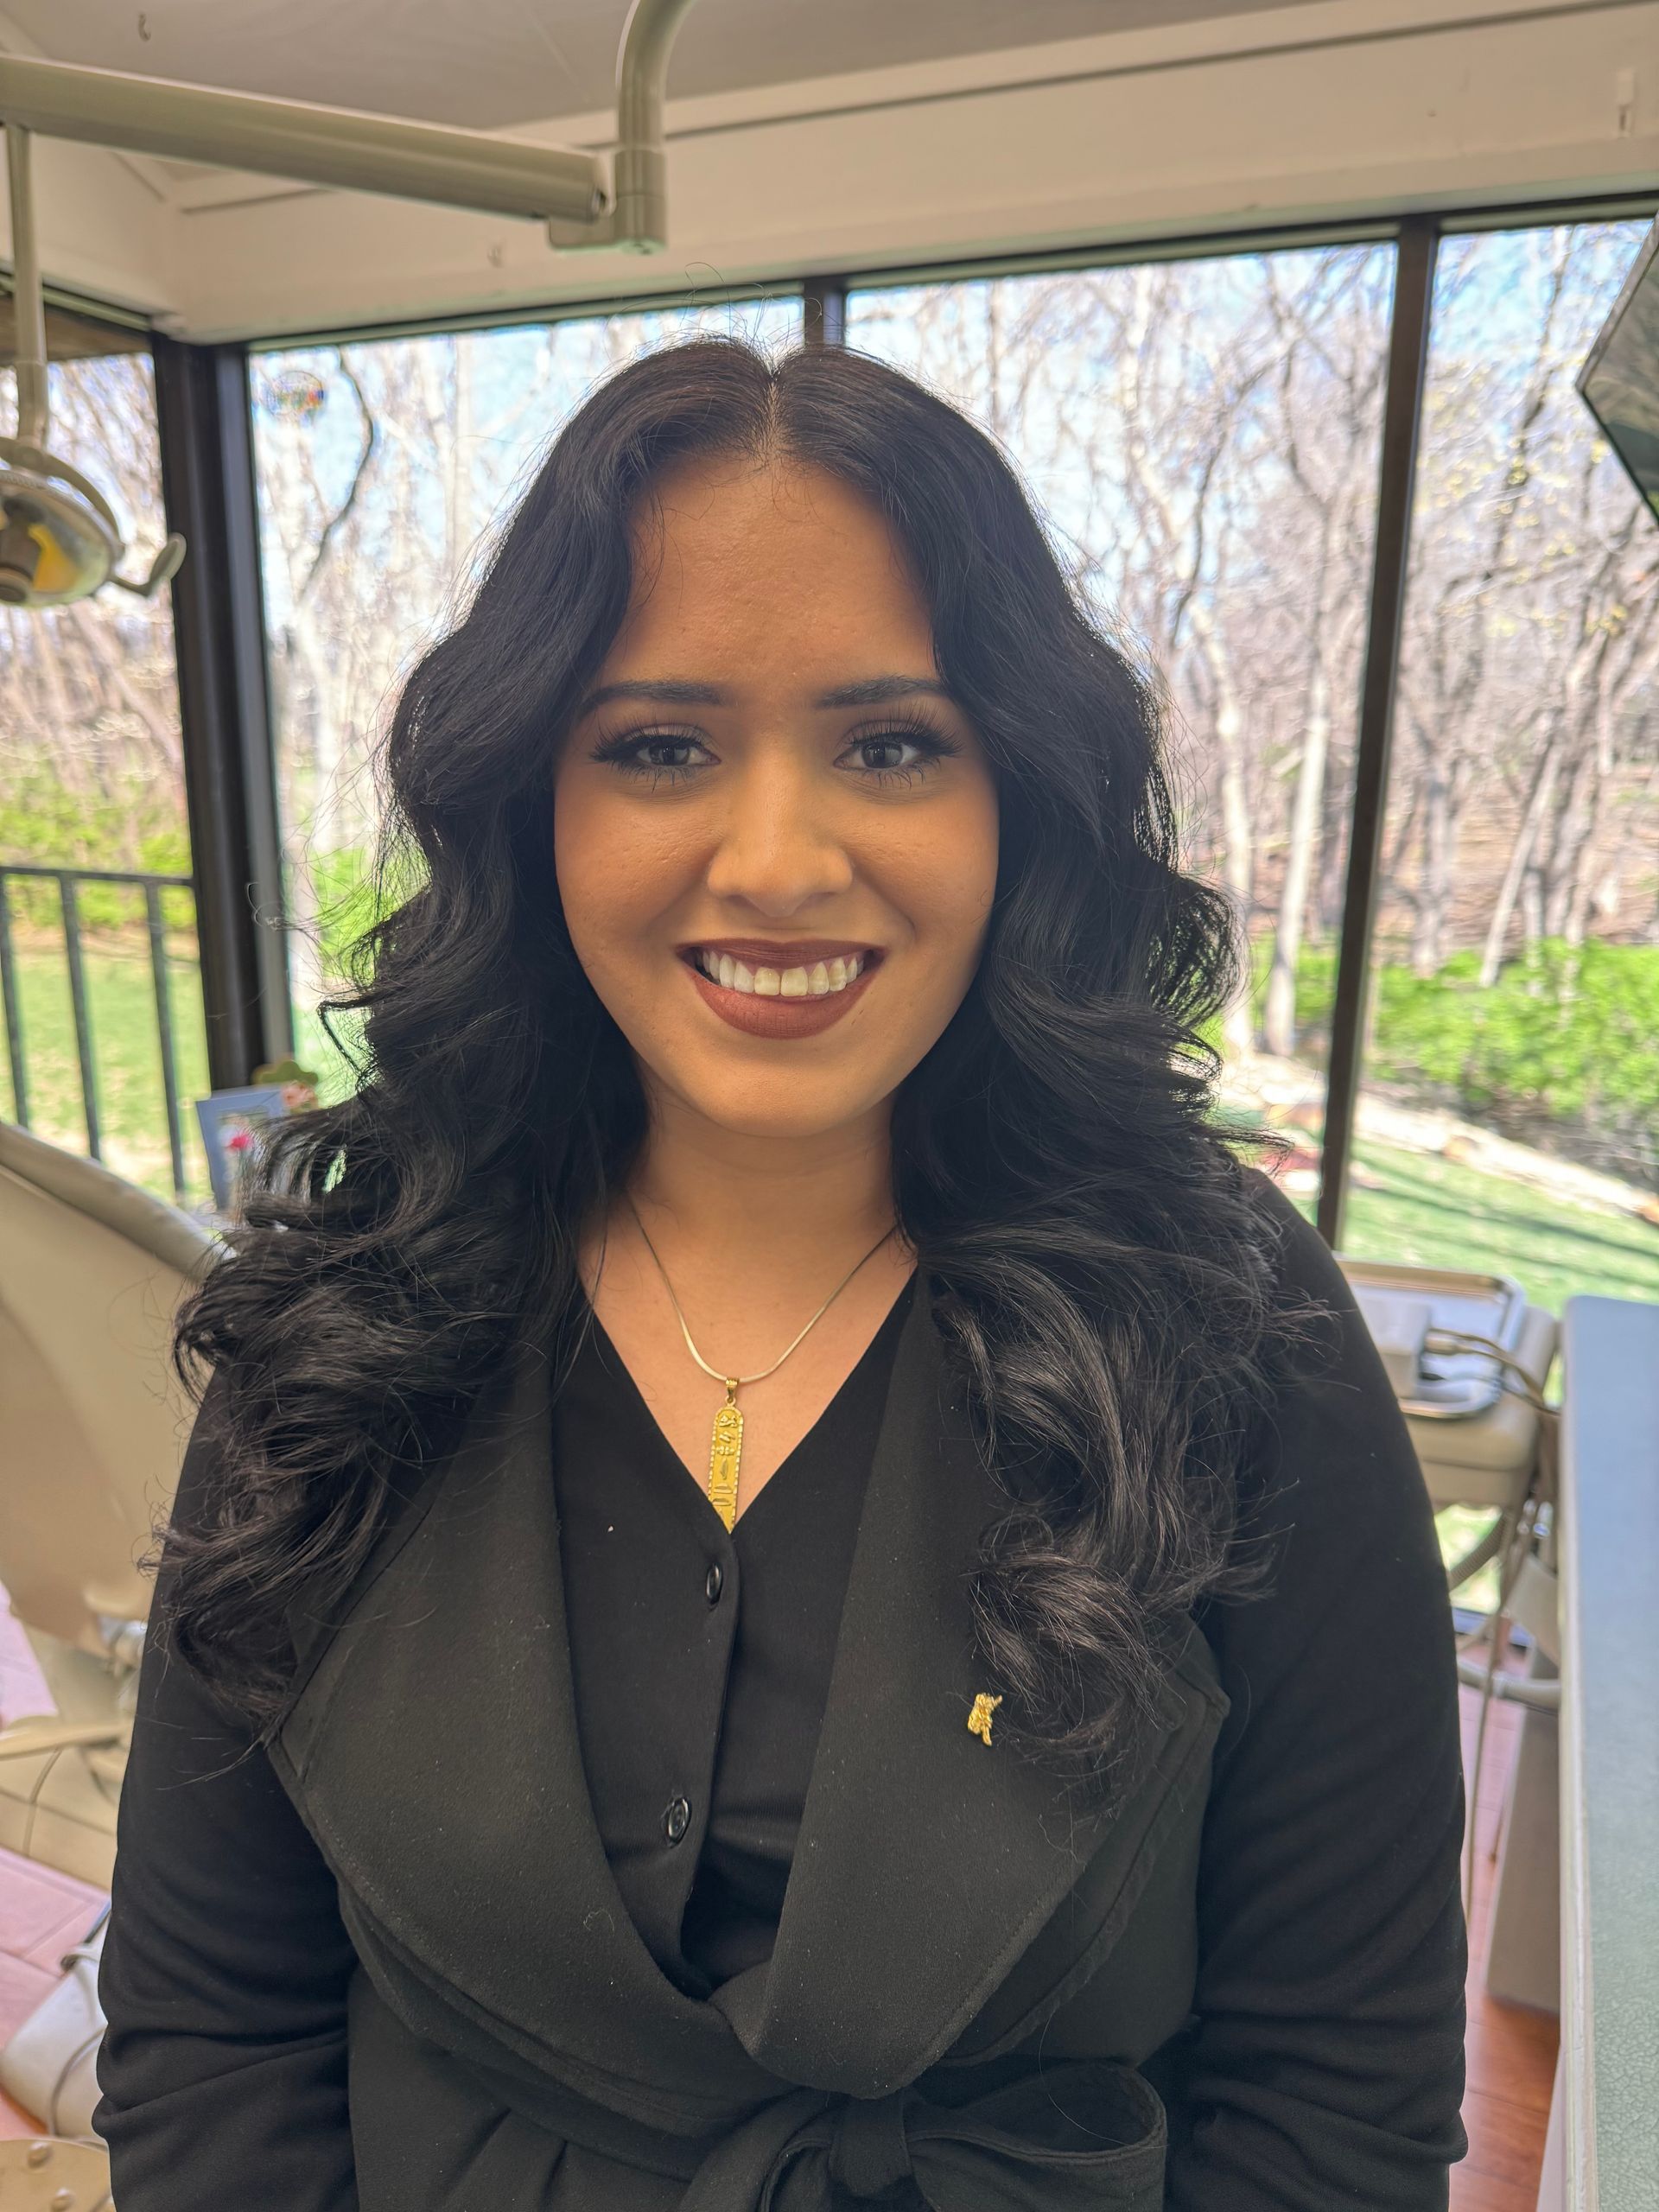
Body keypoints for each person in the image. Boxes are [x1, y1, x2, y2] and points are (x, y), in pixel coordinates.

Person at [92, 336, 1468, 2210]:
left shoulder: (1231, 1327)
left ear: (1018, 797)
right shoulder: (340, 1316)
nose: (778, 859)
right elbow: (212, 2035)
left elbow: (1337, 2093)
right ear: (534, 802)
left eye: (890, 743)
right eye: (659, 747)